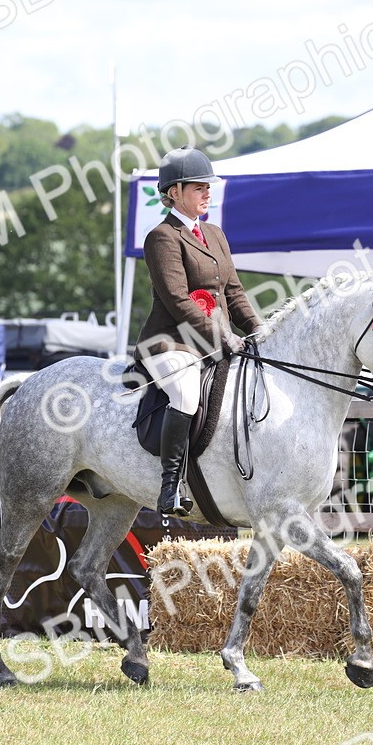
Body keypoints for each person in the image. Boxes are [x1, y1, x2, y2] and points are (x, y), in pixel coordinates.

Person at [134, 145, 264, 516]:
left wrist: (257, 329)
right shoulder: (162, 237)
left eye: (209, 188)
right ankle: (170, 486)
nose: (208, 193)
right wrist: (224, 336)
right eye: (198, 188)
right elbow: (177, 299)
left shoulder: (215, 233)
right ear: (174, 192)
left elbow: (233, 291)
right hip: (172, 342)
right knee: (187, 395)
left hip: (216, 343)